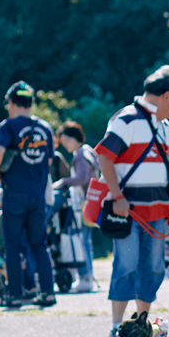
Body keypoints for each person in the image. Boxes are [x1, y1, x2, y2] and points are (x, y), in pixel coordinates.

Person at [96, 66, 169, 337]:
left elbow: (164, 168)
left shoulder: (164, 126)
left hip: (158, 210)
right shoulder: (126, 119)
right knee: (126, 266)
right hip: (128, 209)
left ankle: (139, 328)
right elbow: (104, 157)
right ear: (167, 96)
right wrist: (116, 195)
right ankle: (115, 330)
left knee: (154, 268)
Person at [0, 81, 58, 309]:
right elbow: (48, 161)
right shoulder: (45, 128)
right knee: (40, 244)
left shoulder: (7, 126)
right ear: (31, 102)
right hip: (38, 195)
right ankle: (48, 293)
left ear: (11, 102)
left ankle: (15, 295)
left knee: (12, 246)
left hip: (15, 194)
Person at [53, 121, 99, 294]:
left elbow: (82, 177)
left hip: (84, 203)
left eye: (66, 140)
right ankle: (87, 276)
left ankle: (86, 277)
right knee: (87, 240)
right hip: (93, 202)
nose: (64, 144)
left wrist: (63, 182)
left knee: (83, 240)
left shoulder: (80, 155)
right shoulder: (89, 151)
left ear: (74, 138)